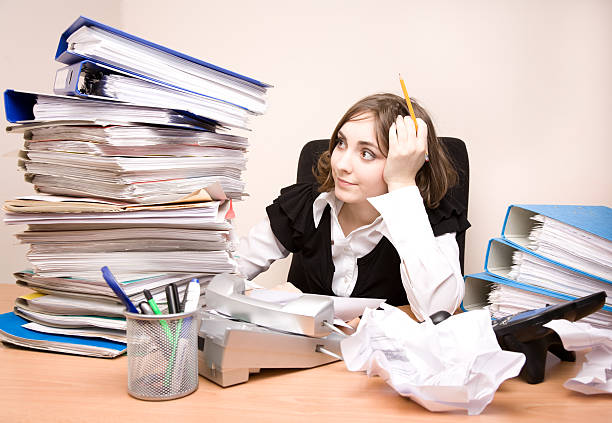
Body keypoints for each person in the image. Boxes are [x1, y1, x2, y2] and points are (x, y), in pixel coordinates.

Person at [237, 93, 470, 321]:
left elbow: (439, 312)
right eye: (341, 143)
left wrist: (401, 183)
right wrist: (266, 300)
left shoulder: (430, 219)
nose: (341, 164)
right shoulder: (307, 206)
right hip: (302, 356)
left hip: (384, 358)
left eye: (367, 153)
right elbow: (223, 272)